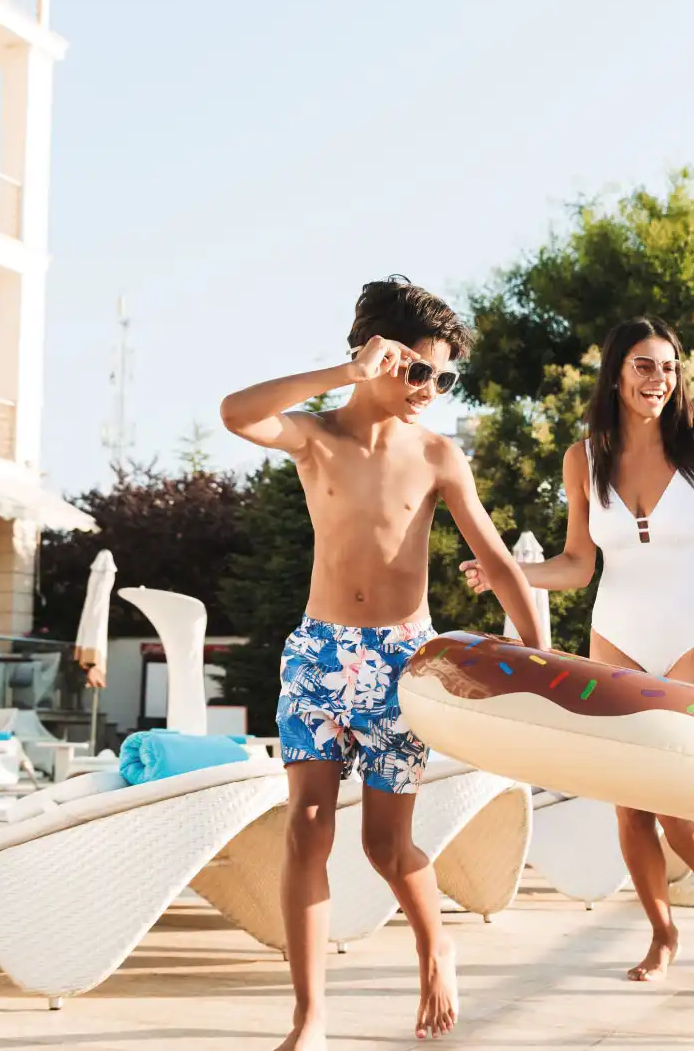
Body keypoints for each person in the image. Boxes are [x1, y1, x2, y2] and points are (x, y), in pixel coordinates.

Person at [221, 276, 549, 1049]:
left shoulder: (438, 455)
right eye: (417, 371)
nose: (430, 389)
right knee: (305, 827)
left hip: (401, 662)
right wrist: (344, 375)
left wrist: (539, 658)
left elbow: (498, 563)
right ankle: (309, 1017)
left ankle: (436, 947)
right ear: (374, 356)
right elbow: (238, 414)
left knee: (383, 844)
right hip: (318, 654)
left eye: (443, 377)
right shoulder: (316, 435)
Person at [460, 315, 694, 982]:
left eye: (667, 367)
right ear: (616, 371)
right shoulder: (584, 457)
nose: (657, 380)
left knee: (673, 785)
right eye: (642, 365)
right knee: (630, 799)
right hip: (618, 633)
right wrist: (507, 576)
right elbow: (576, 564)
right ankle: (662, 933)